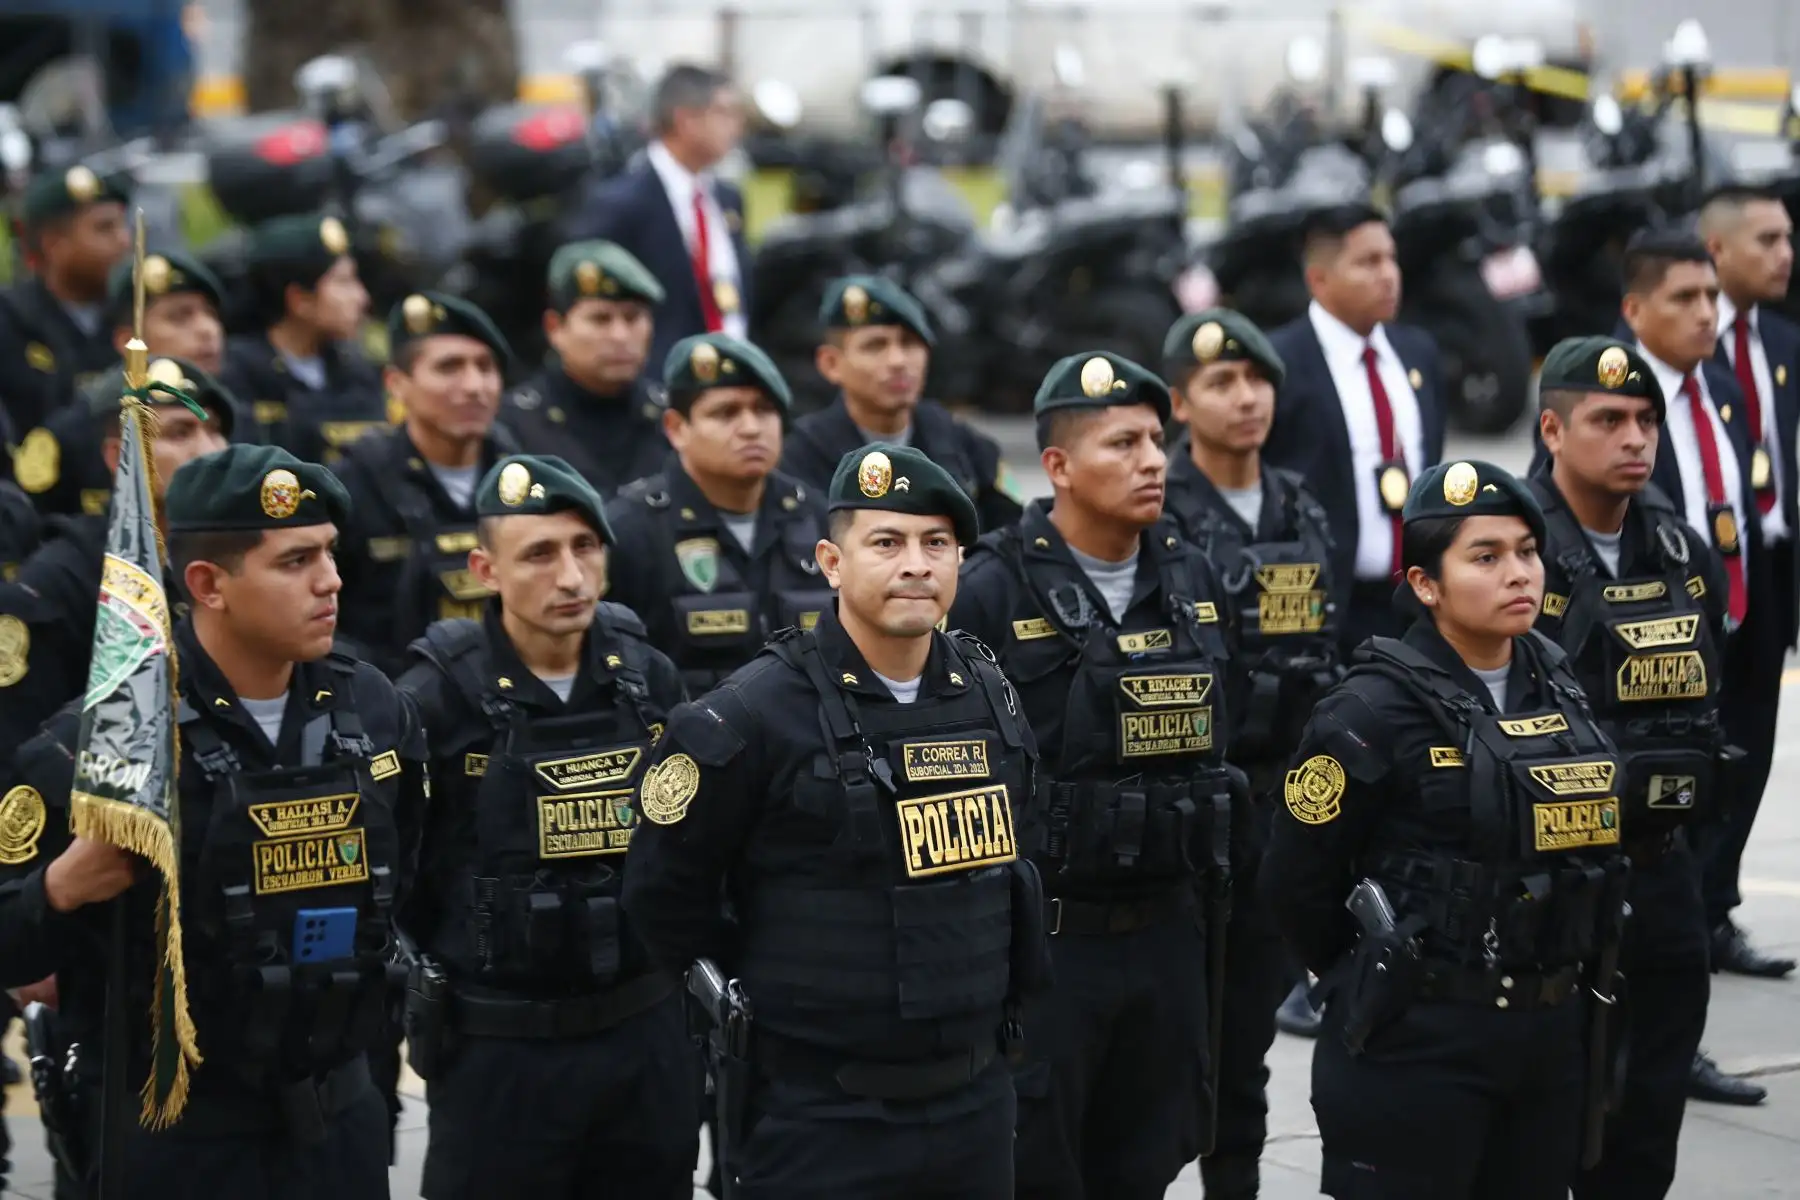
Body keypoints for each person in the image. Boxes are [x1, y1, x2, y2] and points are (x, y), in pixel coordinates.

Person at [0, 443, 429, 1197]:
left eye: (329, 553)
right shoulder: (100, 748)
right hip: (177, 1143)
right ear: (208, 583)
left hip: (337, 1126)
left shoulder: (377, 710)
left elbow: (411, 883)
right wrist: (62, 889)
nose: (331, 581)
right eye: (295, 561)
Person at [623, 443, 1048, 1200]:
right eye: (886, 543)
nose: (915, 564)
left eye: (937, 544)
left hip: (976, 1102)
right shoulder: (752, 714)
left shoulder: (989, 693)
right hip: (820, 1113)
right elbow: (664, 896)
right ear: (830, 561)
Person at [1262, 459, 1631, 1200]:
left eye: (1527, 551)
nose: (1518, 573)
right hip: (1418, 1044)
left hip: (1548, 1033)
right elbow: (1293, 881)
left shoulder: (1556, 678)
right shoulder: (1367, 712)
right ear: (1426, 585)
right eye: (1486, 558)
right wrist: (1376, 975)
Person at [949, 351, 1238, 1200]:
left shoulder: (1193, 578)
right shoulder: (988, 591)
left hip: (1168, 932)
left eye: (1156, 440)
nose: (1153, 460)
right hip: (1049, 946)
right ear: (1059, 467)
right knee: (1038, 1166)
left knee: (1146, 1160)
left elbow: (1235, 719)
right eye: (1123, 443)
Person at [396, 454, 696, 1198]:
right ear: (485, 569)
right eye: (539, 554)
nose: (570, 577)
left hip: (643, 1038)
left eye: (585, 548)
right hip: (501, 1052)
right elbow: (398, 874)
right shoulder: (434, 699)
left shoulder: (646, 677)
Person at [1529, 336, 1742, 1196]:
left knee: (1649, 1121)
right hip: (1554, 886)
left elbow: (1704, 701)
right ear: (1551, 429)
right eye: (1608, 419)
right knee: (1551, 1120)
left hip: (1662, 875)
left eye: (1647, 420)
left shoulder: (1684, 551)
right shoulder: (1508, 547)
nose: (1634, 439)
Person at [1160, 310, 1341, 1195]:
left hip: (1277, 811)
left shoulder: (1301, 506)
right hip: (1186, 814)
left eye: (1257, 381)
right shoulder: (1158, 506)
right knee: (1164, 1051)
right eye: (1222, 384)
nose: (1245, 400)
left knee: (1247, 1045)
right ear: (1180, 405)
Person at [1615, 231, 1796, 1101]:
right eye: (1683, 298)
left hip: (1731, 627)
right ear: (1635, 310)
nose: (1704, 314)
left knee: (1730, 797)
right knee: (1664, 856)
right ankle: (1661, 1047)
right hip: (1653, 660)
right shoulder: (1614, 403)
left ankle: (1695, 961)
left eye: (1708, 298)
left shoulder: (1719, 388)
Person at [0, 358, 232, 756]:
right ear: (120, 456)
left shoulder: (242, 562)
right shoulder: (58, 584)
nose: (209, 451)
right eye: (180, 432)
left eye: (215, 431)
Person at [1695, 191, 1800, 982]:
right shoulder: (1679, 349)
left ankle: (1718, 904)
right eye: (1766, 239)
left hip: (1765, 564)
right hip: (1694, 575)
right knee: (1690, 744)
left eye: (1787, 239)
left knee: (1755, 738)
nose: (1784, 254)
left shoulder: (1780, 342)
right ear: (1717, 248)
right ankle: (1679, 912)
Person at [1264, 203, 1446, 654]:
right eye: (1368, 262)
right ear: (1319, 279)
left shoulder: (1418, 352)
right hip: (1324, 609)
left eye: (1391, 258)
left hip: (1416, 605)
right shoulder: (1279, 364)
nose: (1388, 275)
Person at [606, 333, 833, 693]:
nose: (750, 428)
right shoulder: (631, 531)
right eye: (726, 413)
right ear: (677, 428)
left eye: (764, 409)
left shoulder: (820, 518)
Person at [334, 292, 516, 677]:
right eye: (449, 368)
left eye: (486, 367)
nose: (474, 386)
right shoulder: (353, 485)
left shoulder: (526, 475)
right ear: (397, 383)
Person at [781, 275, 1024, 532]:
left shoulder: (962, 443)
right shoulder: (801, 456)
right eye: (875, 346)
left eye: (909, 343)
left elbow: (1012, 537)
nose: (898, 361)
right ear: (831, 363)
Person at [17, 249, 230, 520]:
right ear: (128, 341)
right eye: (179, 317)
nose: (207, 329)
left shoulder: (236, 415)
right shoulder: (76, 433)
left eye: (211, 314)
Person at [569, 64, 750, 370]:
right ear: (686, 119)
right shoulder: (624, 202)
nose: (736, 127)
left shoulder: (726, 198)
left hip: (729, 372)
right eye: (723, 113)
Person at [501, 240, 672, 496]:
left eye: (633, 317)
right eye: (600, 319)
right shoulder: (514, 425)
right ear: (555, 328)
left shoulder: (671, 417)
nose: (620, 336)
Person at [219, 213, 385, 464]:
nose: (361, 298)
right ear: (300, 299)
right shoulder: (238, 375)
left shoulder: (354, 370)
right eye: (343, 282)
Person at [0, 166, 132, 439]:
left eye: (123, 226)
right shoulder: (10, 322)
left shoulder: (134, 313)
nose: (124, 241)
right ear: (54, 244)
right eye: (104, 228)